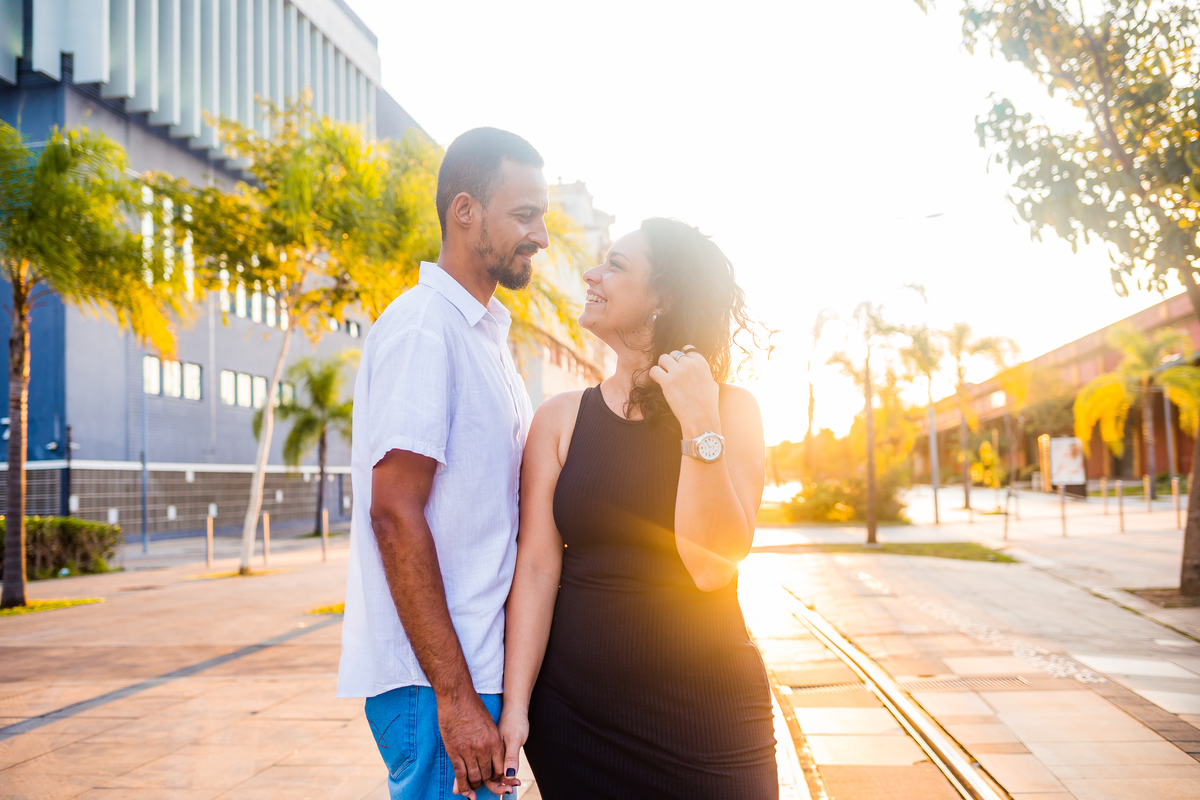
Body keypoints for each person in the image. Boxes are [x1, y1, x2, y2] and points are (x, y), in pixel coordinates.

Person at [492, 218, 776, 798]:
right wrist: (515, 709)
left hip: (711, 720)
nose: (591, 276)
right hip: (576, 720)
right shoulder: (559, 419)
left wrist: (699, 420)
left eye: (616, 265)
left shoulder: (732, 410)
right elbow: (538, 569)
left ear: (664, 297)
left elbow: (712, 565)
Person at [338, 127, 548, 800]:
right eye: (524, 215)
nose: (539, 236)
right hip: (438, 687)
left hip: (475, 674)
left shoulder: (484, 338)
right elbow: (394, 512)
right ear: (466, 212)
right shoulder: (426, 327)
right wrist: (455, 700)